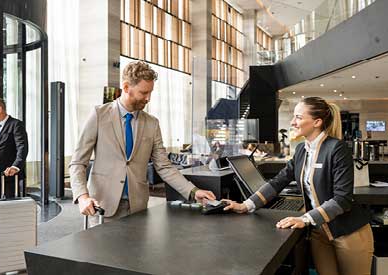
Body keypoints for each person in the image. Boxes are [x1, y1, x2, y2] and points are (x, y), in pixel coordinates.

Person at [223, 97, 374, 275]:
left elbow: (342, 199)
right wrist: (246, 205)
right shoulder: (302, 149)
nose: (293, 122)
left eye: (299, 117)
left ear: (317, 122)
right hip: (320, 233)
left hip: (349, 233)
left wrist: (304, 219)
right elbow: (278, 181)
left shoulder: (337, 149)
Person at [70, 61, 215, 225]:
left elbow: (164, 166)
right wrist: (82, 197)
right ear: (126, 88)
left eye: (150, 92)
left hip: (138, 208)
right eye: (144, 92)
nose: (148, 98)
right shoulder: (98, 115)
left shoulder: (152, 123)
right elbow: (77, 163)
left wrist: (193, 191)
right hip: (102, 207)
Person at [0, 97, 28, 199]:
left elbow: (22, 148)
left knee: (9, 209)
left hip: (9, 175)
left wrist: (15, 166)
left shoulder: (16, 125)